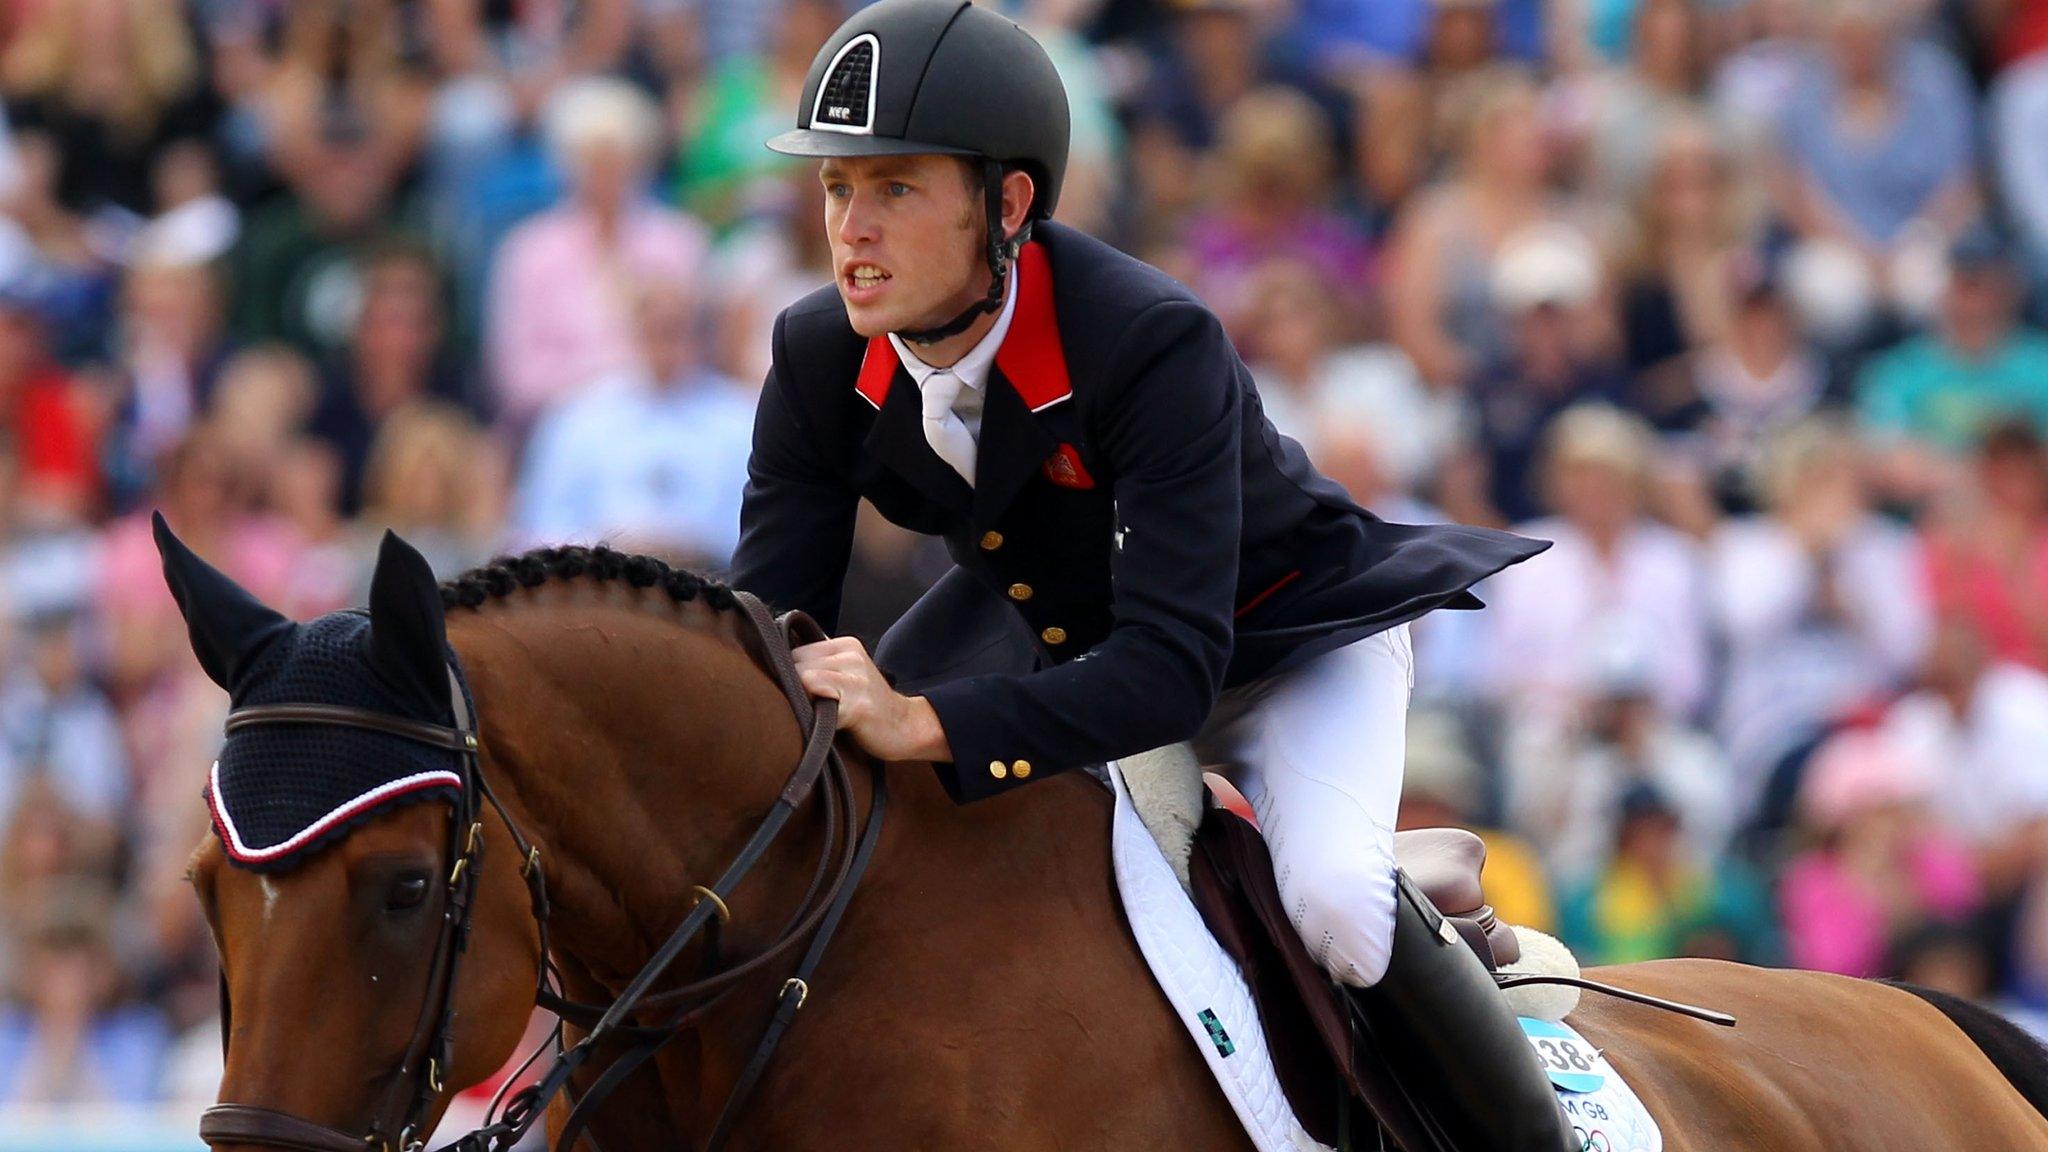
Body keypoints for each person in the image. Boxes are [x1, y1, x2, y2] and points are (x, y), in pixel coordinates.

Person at [727, 3, 1569, 1148]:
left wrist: (924, 719)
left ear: (1007, 203)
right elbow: (766, 624)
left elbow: (1173, 675)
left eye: (895, 189)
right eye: (836, 190)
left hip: (1279, 647)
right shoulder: (817, 351)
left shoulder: (1145, 337)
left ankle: (1529, 1120)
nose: (850, 230)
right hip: (1066, 644)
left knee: (1332, 912)